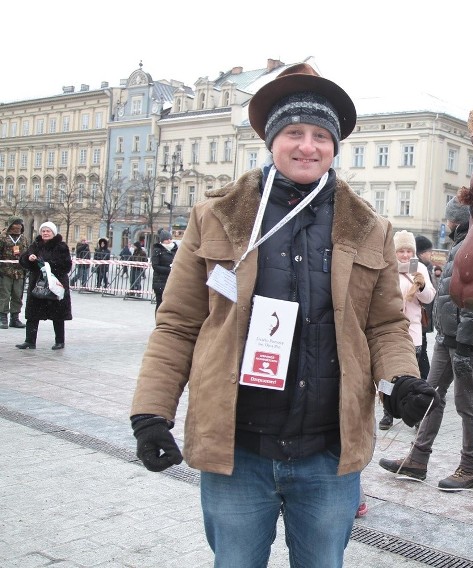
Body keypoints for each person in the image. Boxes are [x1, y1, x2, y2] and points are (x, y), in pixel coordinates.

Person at [129, 62, 436, 567]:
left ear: (336, 147)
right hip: (238, 448)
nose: (307, 146)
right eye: (294, 132)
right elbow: (179, 323)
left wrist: (401, 380)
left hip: (326, 453)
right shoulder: (218, 216)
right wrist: (152, 412)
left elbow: (383, 323)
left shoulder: (368, 226)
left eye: (321, 136)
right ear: (271, 140)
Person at [379, 197, 473, 490]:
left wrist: (466, 346)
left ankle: (469, 467)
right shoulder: (462, 246)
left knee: (467, 403)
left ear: (456, 220)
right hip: (449, 337)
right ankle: (418, 460)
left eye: (447, 219)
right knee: (430, 395)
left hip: (465, 341)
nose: (444, 224)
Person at [379, 230, 436, 430]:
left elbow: (429, 298)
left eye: (409, 251)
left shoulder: (419, 267)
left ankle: (413, 412)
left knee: (413, 374)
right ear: (394, 251)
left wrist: (420, 285)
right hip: (390, 330)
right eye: (401, 251)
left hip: (412, 331)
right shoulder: (387, 266)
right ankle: (387, 411)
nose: (405, 255)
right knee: (388, 374)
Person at [16, 222, 72, 350]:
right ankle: (29, 341)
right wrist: (29, 259)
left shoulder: (61, 247)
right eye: (43, 231)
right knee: (32, 314)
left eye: (48, 231)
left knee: (57, 315)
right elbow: (23, 261)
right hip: (38, 284)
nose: (45, 233)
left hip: (55, 284)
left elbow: (66, 265)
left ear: (53, 233)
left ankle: (59, 341)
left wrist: (45, 263)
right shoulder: (35, 245)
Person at [0, 217, 29, 329]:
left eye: (20, 224)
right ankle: (3, 317)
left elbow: (26, 253)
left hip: (20, 271)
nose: (18, 226)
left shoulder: (23, 239)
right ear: (11, 225)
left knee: (18, 295)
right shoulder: (3, 237)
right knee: (4, 294)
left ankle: (15, 318)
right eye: (16, 224)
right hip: (5, 271)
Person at [415, 235, 436, 381]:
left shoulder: (425, 267)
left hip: (421, 321)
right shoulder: (418, 269)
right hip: (418, 321)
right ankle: (426, 381)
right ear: (421, 253)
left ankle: (426, 380)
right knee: (421, 354)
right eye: (429, 251)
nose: (431, 254)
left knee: (421, 353)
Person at [150, 230, 178, 313]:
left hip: (172, 281)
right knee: (160, 304)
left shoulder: (175, 250)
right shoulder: (157, 250)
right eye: (167, 239)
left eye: (170, 238)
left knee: (171, 305)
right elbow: (155, 266)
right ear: (162, 240)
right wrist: (169, 270)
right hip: (160, 281)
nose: (169, 240)